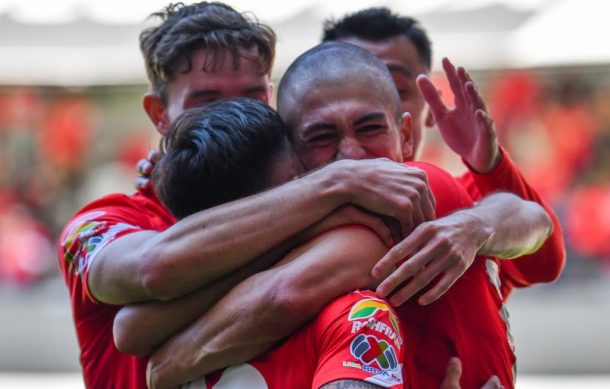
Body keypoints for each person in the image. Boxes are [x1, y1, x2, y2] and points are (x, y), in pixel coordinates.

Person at [57, 3, 436, 388]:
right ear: (158, 113)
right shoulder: (99, 224)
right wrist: (333, 188)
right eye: (206, 100)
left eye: (252, 96)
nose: (233, 114)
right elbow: (153, 268)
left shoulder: (318, 197)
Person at [133, 42, 548, 389]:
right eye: (322, 137)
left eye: (369, 129)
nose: (351, 156)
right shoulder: (311, 221)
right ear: (292, 154)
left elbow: (284, 294)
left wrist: (171, 361)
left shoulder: (411, 189)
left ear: (405, 136)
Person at [321, 7, 565, 302]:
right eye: (353, 87)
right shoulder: (292, 205)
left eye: (395, 89)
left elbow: (543, 264)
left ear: (429, 108)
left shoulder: (469, 200)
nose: (375, 106)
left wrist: (489, 171)